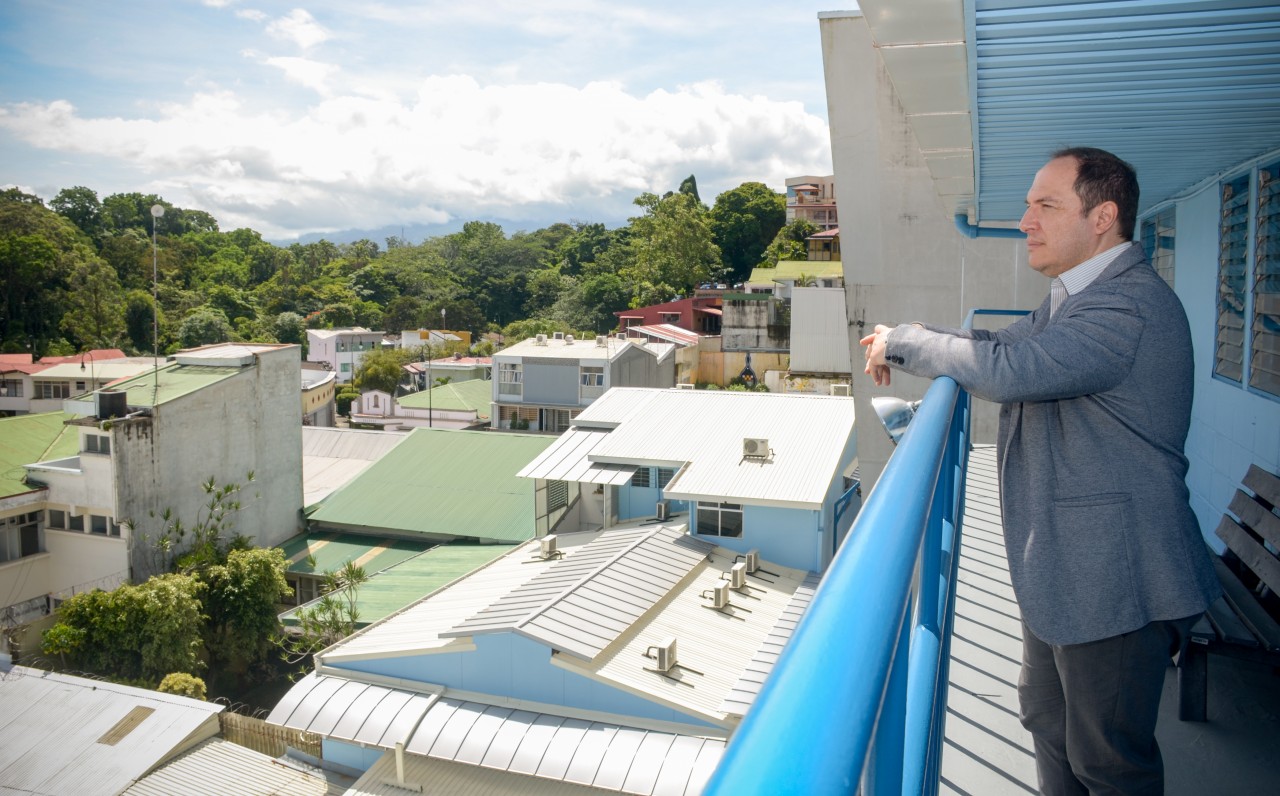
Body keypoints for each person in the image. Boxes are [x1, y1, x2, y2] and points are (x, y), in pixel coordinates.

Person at [860, 147, 1221, 796]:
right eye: (1029, 206)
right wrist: (908, 331)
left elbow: (1010, 373)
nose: (1026, 220)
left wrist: (907, 344)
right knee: (1050, 727)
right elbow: (999, 346)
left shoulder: (1127, 305)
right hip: (1065, 574)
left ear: (1103, 217)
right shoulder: (1077, 298)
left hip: (1117, 579)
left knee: (1108, 764)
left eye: (1046, 206)